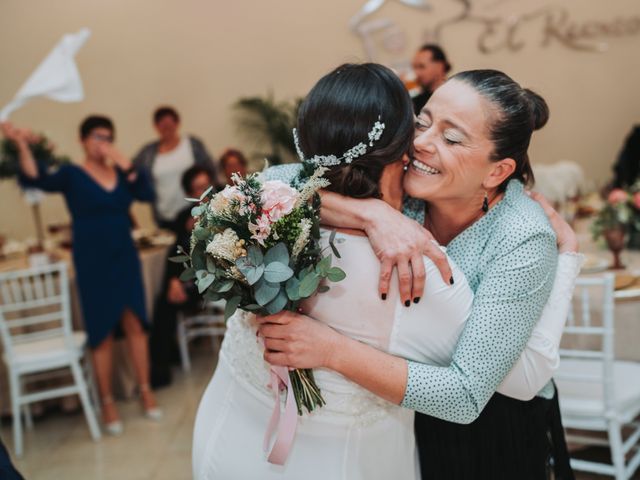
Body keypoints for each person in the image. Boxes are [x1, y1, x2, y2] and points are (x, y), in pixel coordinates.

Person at [193, 64, 580, 479]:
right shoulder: (405, 189)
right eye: (422, 123)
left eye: (450, 138)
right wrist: (372, 213)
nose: (420, 145)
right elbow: (271, 182)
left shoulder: (521, 236)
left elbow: (471, 392)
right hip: (406, 406)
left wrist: (331, 349)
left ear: (497, 171)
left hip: (491, 420)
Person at [1, 116, 161, 436]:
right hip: (92, 261)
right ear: (83, 140)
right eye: (97, 136)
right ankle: (107, 402)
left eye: (108, 137)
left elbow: (145, 194)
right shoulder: (72, 175)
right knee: (100, 332)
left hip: (124, 256)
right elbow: (35, 179)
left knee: (135, 325)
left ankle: (145, 390)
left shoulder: (121, 172)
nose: (103, 142)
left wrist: (126, 163)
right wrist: (21, 144)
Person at [149, 165, 214, 388]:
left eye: (206, 185)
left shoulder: (225, 210)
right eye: (197, 188)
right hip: (190, 279)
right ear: (190, 192)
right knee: (163, 301)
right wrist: (173, 281)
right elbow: (175, 252)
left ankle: (164, 358)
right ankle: (163, 361)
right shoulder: (183, 218)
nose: (203, 191)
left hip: (217, 277)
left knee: (165, 304)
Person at [132, 106, 218, 230]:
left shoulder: (192, 144)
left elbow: (211, 171)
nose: (166, 129)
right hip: (165, 217)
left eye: (169, 124)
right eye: (162, 125)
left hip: (194, 212)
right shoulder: (148, 153)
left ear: (177, 123)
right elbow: (132, 172)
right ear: (156, 127)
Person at [411, 44, 451, 115]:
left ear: (439, 66)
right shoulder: (415, 102)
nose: (416, 73)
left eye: (421, 66)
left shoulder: (454, 98)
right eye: (414, 67)